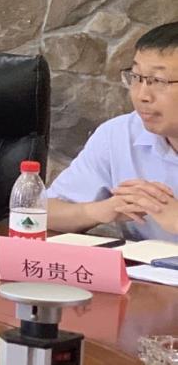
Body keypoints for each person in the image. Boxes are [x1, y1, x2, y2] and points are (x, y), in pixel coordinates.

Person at [47, 22, 178, 242]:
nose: (142, 95)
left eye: (158, 81)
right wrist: (99, 211)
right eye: (136, 77)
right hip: (142, 265)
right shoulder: (119, 134)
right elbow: (40, 213)